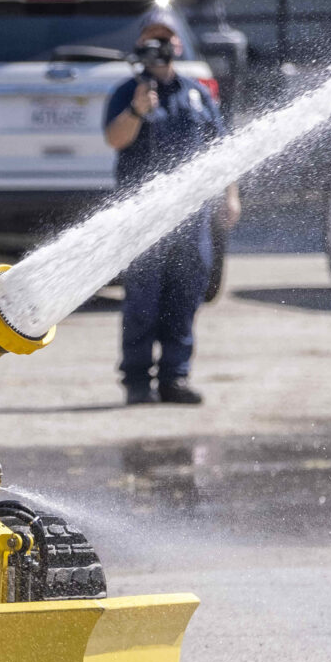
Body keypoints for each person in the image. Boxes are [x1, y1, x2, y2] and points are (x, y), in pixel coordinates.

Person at [102, 21, 240, 405]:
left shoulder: (196, 94)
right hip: (142, 215)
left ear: (178, 45)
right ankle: (136, 380)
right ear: (140, 48)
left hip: (191, 217)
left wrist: (231, 195)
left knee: (186, 296)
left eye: (166, 41)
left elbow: (220, 147)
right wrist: (136, 110)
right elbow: (115, 139)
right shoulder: (128, 92)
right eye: (152, 42)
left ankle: (175, 378)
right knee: (143, 299)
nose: (161, 48)